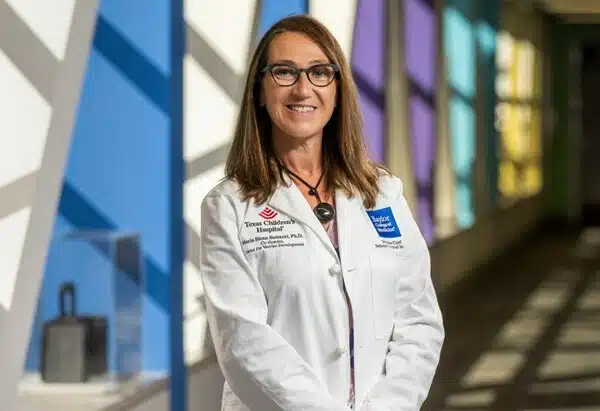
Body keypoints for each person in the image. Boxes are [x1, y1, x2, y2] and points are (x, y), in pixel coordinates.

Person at [200, 14, 444, 411]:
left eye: (319, 72)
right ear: (260, 91)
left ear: (338, 88)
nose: (302, 88)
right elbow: (243, 340)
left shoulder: (383, 194)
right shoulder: (229, 206)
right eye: (283, 72)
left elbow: (419, 321)